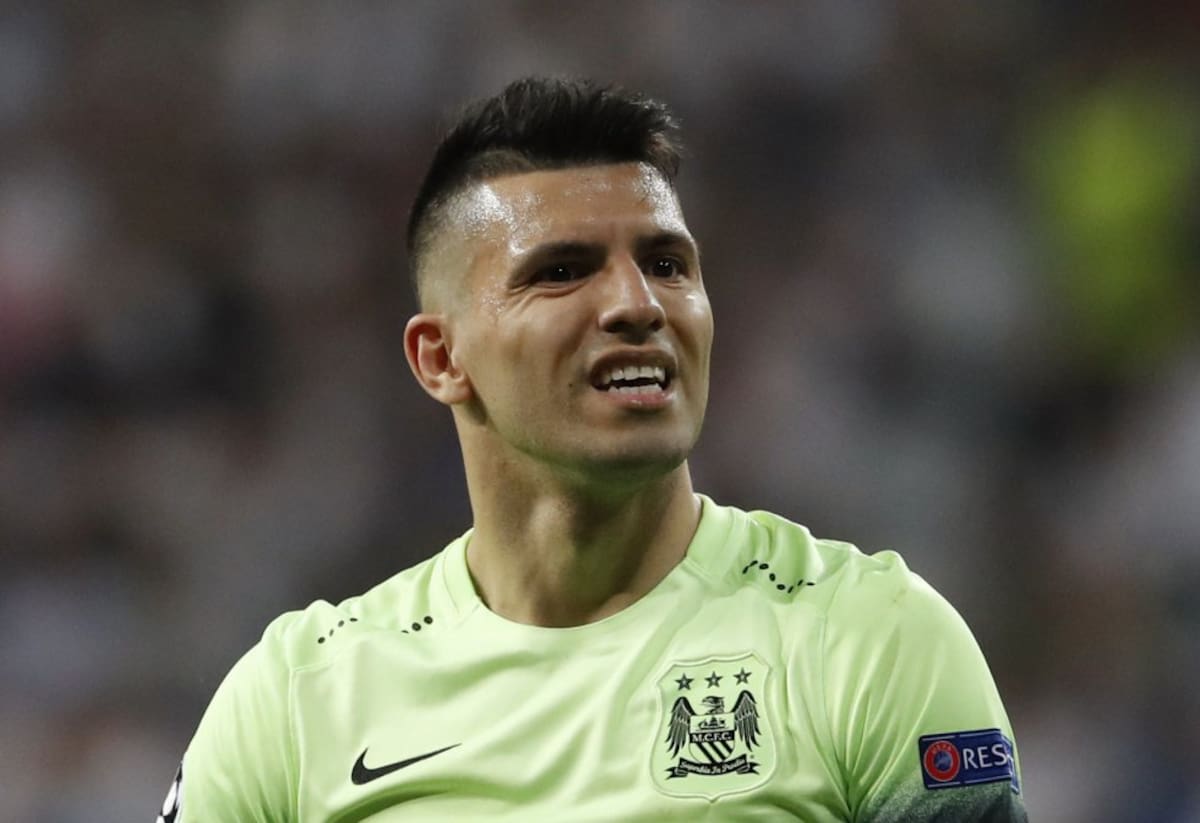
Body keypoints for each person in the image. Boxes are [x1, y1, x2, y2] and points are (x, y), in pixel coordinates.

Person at [158, 76, 1028, 822]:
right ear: (441, 358)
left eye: (667, 263)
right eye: (562, 271)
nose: (638, 304)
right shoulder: (298, 698)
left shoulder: (868, 639)